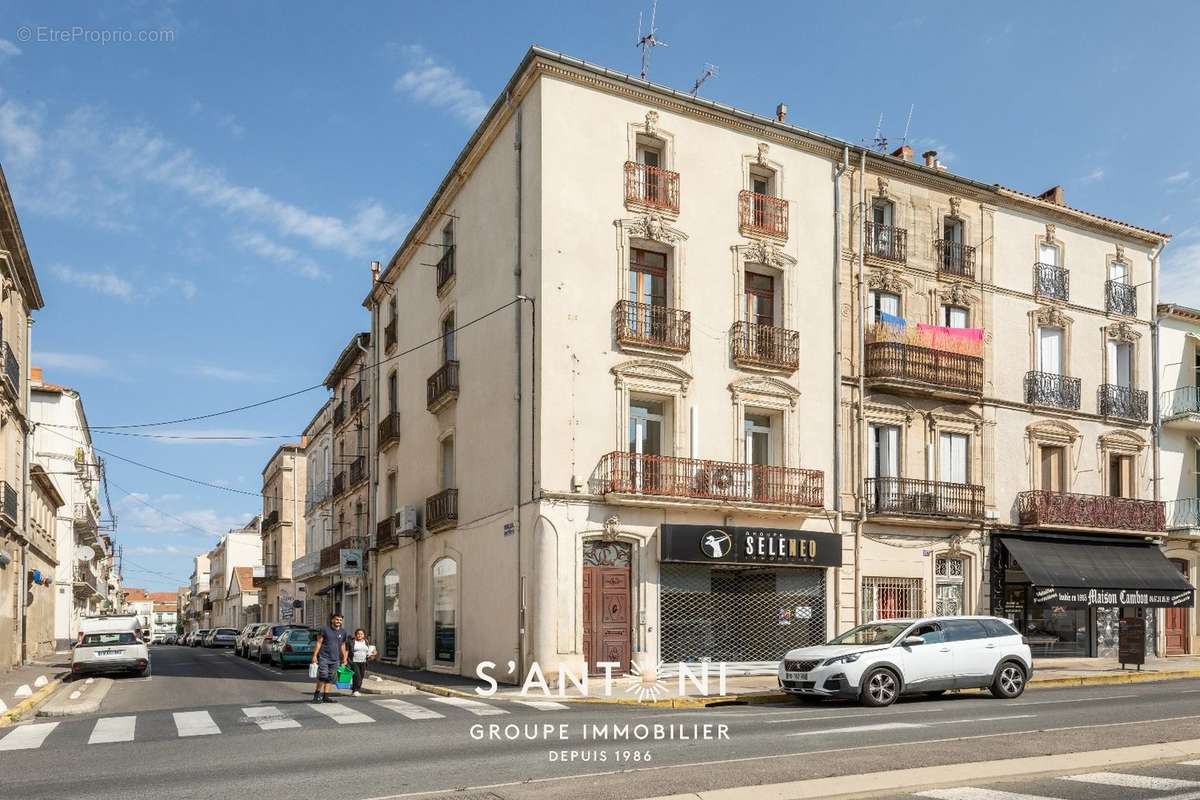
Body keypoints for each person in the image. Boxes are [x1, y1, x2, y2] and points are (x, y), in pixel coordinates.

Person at [311, 613, 349, 703]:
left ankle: (326, 697)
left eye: (340, 620)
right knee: (323, 676)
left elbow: (343, 645)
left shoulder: (343, 632)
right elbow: (319, 642)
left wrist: (344, 658)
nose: (338, 621)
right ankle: (316, 696)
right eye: (336, 619)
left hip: (335, 659)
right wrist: (314, 655)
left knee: (330, 678)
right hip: (324, 657)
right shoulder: (324, 629)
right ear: (332, 620)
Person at [348, 628, 377, 696]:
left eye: (361, 634)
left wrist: (374, 653)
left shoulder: (366, 642)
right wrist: (345, 660)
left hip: (363, 662)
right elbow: (347, 651)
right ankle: (355, 690)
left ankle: (356, 689)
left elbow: (369, 651)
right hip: (354, 661)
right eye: (358, 634)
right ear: (355, 635)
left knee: (361, 677)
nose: (359, 635)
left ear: (364, 635)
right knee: (357, 676)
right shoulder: (352, 642)